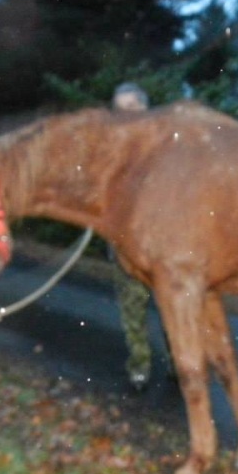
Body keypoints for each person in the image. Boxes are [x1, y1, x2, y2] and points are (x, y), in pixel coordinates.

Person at [109, 82, 159, 389]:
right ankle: (140, 367)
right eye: (119, 110)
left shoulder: (165, 143)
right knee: (132, 310)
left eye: (131, 108)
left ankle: (182, 369)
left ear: (144, 108)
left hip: (163, 246)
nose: (125, 115)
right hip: (125, 244)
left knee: (173, 309)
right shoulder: (112, 149)